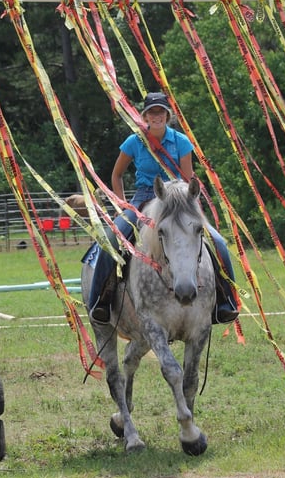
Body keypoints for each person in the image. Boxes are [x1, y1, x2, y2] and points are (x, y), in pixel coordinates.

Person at [85, 91, 239, 325]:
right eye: (152, 112)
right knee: (110, 240)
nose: (156, 116)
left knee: (218, 242)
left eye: (161, 112)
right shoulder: (133, 142)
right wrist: (121, 205)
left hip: (177, 201)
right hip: (143, 199)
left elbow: (188, 181)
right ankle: (101, 301)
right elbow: (116, 175)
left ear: (168, 115)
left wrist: (192, 210)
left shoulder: (181, 142)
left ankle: (225, 302)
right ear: (145, 115)